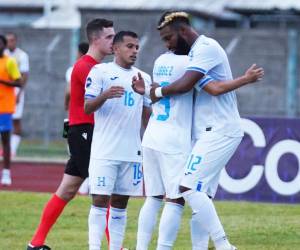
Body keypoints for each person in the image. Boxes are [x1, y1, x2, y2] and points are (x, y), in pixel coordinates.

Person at [132, 11, 264, 250]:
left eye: (168, 38)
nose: (167, 45)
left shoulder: (206, 48)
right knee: (202, 196)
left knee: (187, 187)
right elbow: (212, 88)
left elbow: (186, 85)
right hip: (204, 131)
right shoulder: (192, 55)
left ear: (182, 31)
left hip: (220, 129)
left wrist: (156, 92)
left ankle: (224, 245)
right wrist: (243, 79)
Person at [27, 18, 115, 250]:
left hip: (83, 131)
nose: (113, 42)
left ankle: (35, 243)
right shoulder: (86, 67)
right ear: (95, 40)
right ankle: (115, 246)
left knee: (66, 190)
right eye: (109, 37)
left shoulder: (97, 67)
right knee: (101, 189)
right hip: (84, 131)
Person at [84, 31, 151, 250]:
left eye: (137, 47)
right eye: (130, 46)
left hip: (132, 152)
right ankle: (94, 247)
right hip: (105, 151)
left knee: (121, 204)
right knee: (100, 201)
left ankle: (116, 247)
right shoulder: (100, 71)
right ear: (115, 48)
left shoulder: (144, 77)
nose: (135, 51)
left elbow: (147, 116)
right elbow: (87, 108)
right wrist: (105, 95)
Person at [64, 42, 90, 195]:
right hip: (86, 117)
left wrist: (65, 105)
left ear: (80, 53)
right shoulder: (94, 68)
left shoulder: (73, 69)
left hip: (74, 117)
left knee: (72, 146)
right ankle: (86, 182)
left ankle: (85, 183)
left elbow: (68, 91)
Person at [0, 34, 22, 186]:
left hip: (5, 107)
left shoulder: (10, 62)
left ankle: (6, 173)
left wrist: (2, 81)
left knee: (5, 140)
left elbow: (19, 82)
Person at [5, 32, 29, 157]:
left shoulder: (22, 55)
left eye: (12, 40)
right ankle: (6, 148)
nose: (10, 42)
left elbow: (25, 75)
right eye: (8, 40)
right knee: (4, 120)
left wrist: (19, 93)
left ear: (16, 41)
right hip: (3, 92)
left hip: (15, 91)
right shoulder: (3, 55)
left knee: (15, 120)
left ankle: (12, 150)